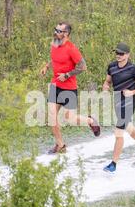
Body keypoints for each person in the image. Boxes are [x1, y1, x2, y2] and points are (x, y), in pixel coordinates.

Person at [40, 22, 100, 154]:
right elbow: (54, 59)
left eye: (59, 31)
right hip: (56, 85)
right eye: (55, 29)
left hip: (68, 87)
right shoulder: (55, 43)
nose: (56, 32)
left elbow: (82, 67)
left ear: (66, 33)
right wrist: (46, 66)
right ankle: (60, 145)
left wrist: (67, 75)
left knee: (70, 119)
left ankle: (90, 121)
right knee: (51, 116)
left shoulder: (71, 48)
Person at [102, 42, 135, 173]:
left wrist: (132, 92)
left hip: (129, 101)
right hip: (118, 100)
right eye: (116, 53)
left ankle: (113, 164)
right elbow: (108, 81)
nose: (118, 55)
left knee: (119, 132)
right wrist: (106, 86)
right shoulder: (112, 67)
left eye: (121, 53)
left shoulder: (134, 69)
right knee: (128, 127)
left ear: (127, 55)